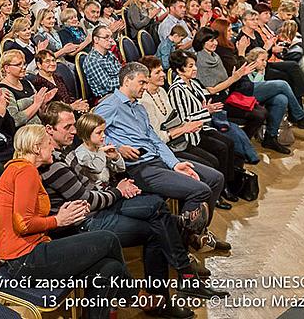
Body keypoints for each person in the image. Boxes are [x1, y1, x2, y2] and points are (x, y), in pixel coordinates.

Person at [39, 104, 219, 313]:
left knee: (157, 208)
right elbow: (86, 200)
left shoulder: (63, 151)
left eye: (73, 125)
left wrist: (115, 187)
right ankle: (178, 280)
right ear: (49, 129)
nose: (73, 131)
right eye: (67, 127)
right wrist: (118, 191)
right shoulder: (51, 162)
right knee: (157, 228)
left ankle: (180, 277)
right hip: (86, 221)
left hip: (101, 204)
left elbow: (90, 187)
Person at [0, 123, 135, 319]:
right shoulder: (25, 171)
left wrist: (66, 214)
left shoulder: (21, 170)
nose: (53, 147)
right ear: (36, 148)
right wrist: (58, 221)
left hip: (31, 252)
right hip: (24, 260)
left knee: (111, 269)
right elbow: (23, 224)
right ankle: (133, 295)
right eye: (48, 143)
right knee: (108, 239)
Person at [94, 63, 228, 250]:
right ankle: (182, 248)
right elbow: (89, 134)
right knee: (200, 190)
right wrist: (117, 148)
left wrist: (174, 164)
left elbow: (155, 140)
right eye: (141, 82)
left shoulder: (139, 108)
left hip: (158, 160)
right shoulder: (109, 106)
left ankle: (198, 233)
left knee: (215, 178)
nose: (145, 86)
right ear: (126, 80)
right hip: (139, 168)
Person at [81, 26, 122, 99]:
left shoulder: (110, 54)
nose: (111, 41)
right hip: (107, 97)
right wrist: (127, 80)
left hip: (119, 90)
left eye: (111, 37)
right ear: (96, 39)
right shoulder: (92, 60)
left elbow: (120, 72)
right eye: (106, 37)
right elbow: (108, 85)